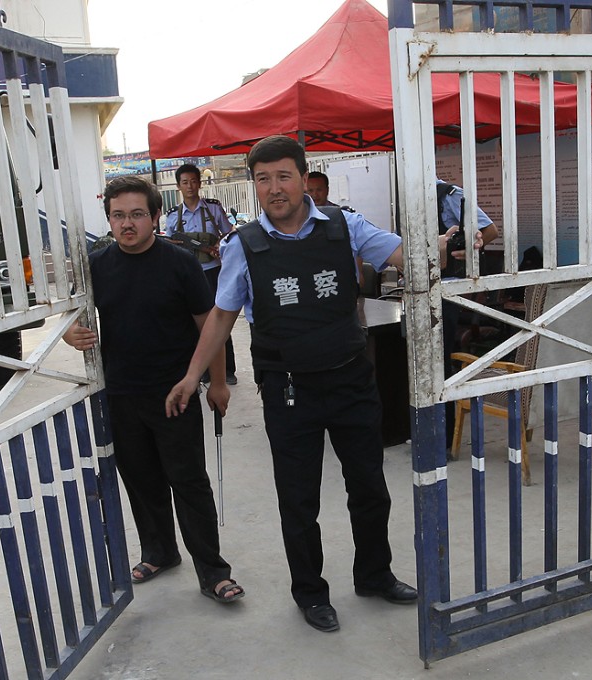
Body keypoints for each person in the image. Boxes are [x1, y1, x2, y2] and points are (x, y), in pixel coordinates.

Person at [165, 135, 482, 633]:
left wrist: (442, 247)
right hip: (288, 390)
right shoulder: (242, 246)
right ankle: (310, 593)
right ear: (253, 186)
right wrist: (194, 376)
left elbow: (409, 258)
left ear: (303, 177)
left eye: (283, 176)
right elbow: (223, 315)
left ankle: (374, 575)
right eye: (262, 179)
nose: (274, 188)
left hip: (351, 380)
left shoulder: (344, 226)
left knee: (370, 488)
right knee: (299, 499)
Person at [64, 176, 245, 605]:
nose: (127, 224)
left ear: (154, 216)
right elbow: (74, 316)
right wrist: (71, 333)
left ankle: (213, 572)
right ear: (108, 219)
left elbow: (210, 329)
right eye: (118, 216)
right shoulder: (99, 265)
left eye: (136, 215)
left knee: (189, 483)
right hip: (122, 394)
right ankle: (160, 552)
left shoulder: (180, 263)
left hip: (175, 394)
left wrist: (216, 382)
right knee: (141, 481)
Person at [436, 178, 498, 444]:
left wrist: (468, 248)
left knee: (441, 362)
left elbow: (490, 230)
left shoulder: (447, 194)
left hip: (448, 290)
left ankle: (446, 434)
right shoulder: (407, 194)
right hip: (423, 287)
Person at [165, 163, 238, 385]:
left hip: (213, 271)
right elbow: (170, 243)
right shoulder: (172, 216)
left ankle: (227, 370)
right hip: (188, 275)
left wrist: (218, 246)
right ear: (179, 186)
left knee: (220, 319)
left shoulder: (213, 209)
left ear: (200, 183)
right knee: (194, 322)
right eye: (185, 182)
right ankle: (203, 371)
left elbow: (229, 234)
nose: (190, 186)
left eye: (194, 181)